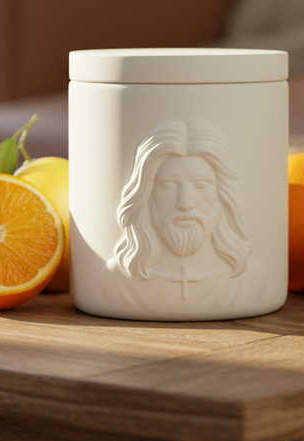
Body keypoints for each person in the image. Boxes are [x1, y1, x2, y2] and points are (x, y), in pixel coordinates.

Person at [99, 118, 267, 316]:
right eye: (167, 185)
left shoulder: (251, 279)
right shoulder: (116, 280)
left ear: (222, 193)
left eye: (202, 185)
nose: (185, 203)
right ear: (146, 194)